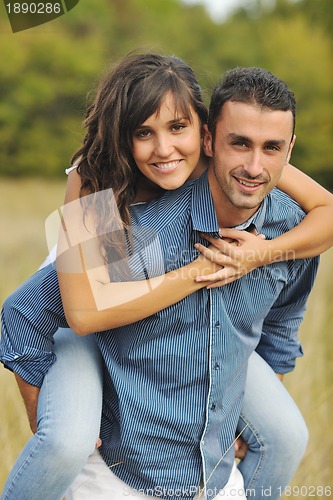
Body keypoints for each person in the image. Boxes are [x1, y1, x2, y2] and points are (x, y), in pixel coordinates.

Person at [0, 54, 331, 499]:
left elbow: (318, 206)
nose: (165, 148)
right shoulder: (97, 182)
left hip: (181, 312)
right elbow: (84, 310)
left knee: (286, 436)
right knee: (66, 441)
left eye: (178, 128)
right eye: (143, 133)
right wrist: (40, 410)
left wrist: (259, 256)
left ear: (202, 131)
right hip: (86, 288)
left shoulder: (246, 159)